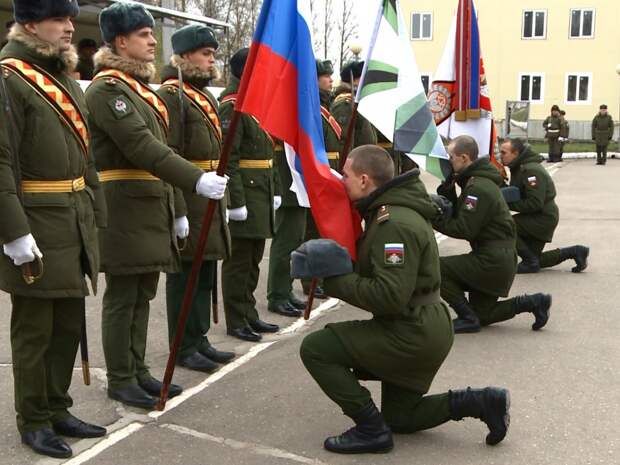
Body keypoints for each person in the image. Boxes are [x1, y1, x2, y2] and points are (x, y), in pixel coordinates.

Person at [297, 145, 510, 454]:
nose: (340, 180)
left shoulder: (392, 223)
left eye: (345, 174)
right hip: (422, 325)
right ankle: (483, 401)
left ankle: (371, 430)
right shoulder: (390, 211)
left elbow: (388, 296)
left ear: (365, 180)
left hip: (412, 331)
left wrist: (334, 280)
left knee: (317, 349)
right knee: (402, 416)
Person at [86, 2, 228, 409]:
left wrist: (177, 206)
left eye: (151, 33)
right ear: (120, 41)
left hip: (149, 203)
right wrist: (195, 180)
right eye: (144, 35)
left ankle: (136, 369)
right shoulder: (107, 90)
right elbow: (143, 147)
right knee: (123, 294)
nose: (152, 41)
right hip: (124, 206)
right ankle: (120, 377)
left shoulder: (138, 91)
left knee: (143, 291)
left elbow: (159, 151)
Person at [0, 1, 106, 458]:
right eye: (59, 20)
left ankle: (57, 405)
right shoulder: (9, 78)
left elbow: (87, 154)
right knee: (35, 330)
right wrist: (14, 232)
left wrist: (96, 213)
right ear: (29, 24)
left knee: (68, 324)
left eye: (69, 19)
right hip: (36, 220)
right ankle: (34, 419)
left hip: (73, 215)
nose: (69, 27)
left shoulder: (64, 77)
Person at [157, 24, 235, 372]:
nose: (211, 60)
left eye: (213, 54)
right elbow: (168, 154)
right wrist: (177, 209)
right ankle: (183, 343)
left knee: (204, 272)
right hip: (189, 194)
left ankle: (199, 337)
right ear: (185, 56)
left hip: (210, 194)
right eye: (206, 54)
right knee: (185, 276)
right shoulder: (173, 96)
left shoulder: (204, 95)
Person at [432, 135, 551, 334]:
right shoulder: (474, 181)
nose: (448, 161)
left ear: (464, 158)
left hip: (492, 261)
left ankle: (467, 317)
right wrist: (448, 190)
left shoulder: (478, 188)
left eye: (450, 157)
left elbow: (463, 228)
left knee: (436, 268)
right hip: (497, 259)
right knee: (484, 314)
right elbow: (461, 213)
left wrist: (433, 218)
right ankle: (534, 302)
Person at [220, 48, 281, 342]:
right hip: (245, 192)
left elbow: (270, 155)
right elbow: (228, 159)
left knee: (254, 258)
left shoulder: (255, 104)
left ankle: (249, 313)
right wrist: (236, 202)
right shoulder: (232, 106)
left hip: (262, 191)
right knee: (239, 261)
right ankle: (236, 319)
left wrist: (277, 190)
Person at [499, 138, 589, 273]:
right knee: (536, 259)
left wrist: (507, 205)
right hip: (539, 216)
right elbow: (516, 192)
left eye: (503, 153)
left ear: (516, 153)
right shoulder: (519, 167)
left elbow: (535, 203)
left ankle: (530, 262)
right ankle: (575, 251)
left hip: (542, 218)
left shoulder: (530, 171)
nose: (500, 156)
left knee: (504, 226)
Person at [299, 59, 343, 298]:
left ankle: (320, 278)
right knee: (312, 231)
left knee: (323, 231)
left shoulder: (324, 107)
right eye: (325, 76)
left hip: (329, 173)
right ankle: (309, 281)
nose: (330, 80)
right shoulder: (309, 107)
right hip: (317, 175)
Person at [330, 60, 377, 149]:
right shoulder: (345, 104)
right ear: (354, 80)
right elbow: (344, 142)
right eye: (363, 77)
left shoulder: (356, 101)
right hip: (357, 159)